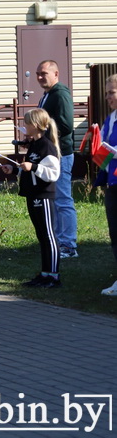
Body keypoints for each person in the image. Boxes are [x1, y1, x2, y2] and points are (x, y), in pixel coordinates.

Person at [0, 109, 61, 288]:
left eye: (26, 123)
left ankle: (54, 276)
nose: (24, 127)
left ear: (35, 125)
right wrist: (15, 170)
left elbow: (53, 173)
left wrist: (32, 167)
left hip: (43, 195)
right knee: (41, 235)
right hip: (33, 194)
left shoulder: (47, 146)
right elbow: (31, 170)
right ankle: (44, 274)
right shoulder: (33, 144)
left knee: (49, 235)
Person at [36, 60, 77, 258]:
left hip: (62, 154)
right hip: (50, 153)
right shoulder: (48, 95)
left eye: (44, 73)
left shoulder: (60, 94)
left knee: (63, 199)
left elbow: (66, 125)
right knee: (53, 199)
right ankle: (59, 241)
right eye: (38, 74)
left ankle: (69, 245)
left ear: (56, 73)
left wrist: (43, 133)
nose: (40, 77)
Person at [97, 74, 117, 296]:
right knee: (115, 231)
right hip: (113, 182)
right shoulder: (110, 119)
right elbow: (102, 145)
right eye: (107, 93)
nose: (107, 97)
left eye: (111, 92)